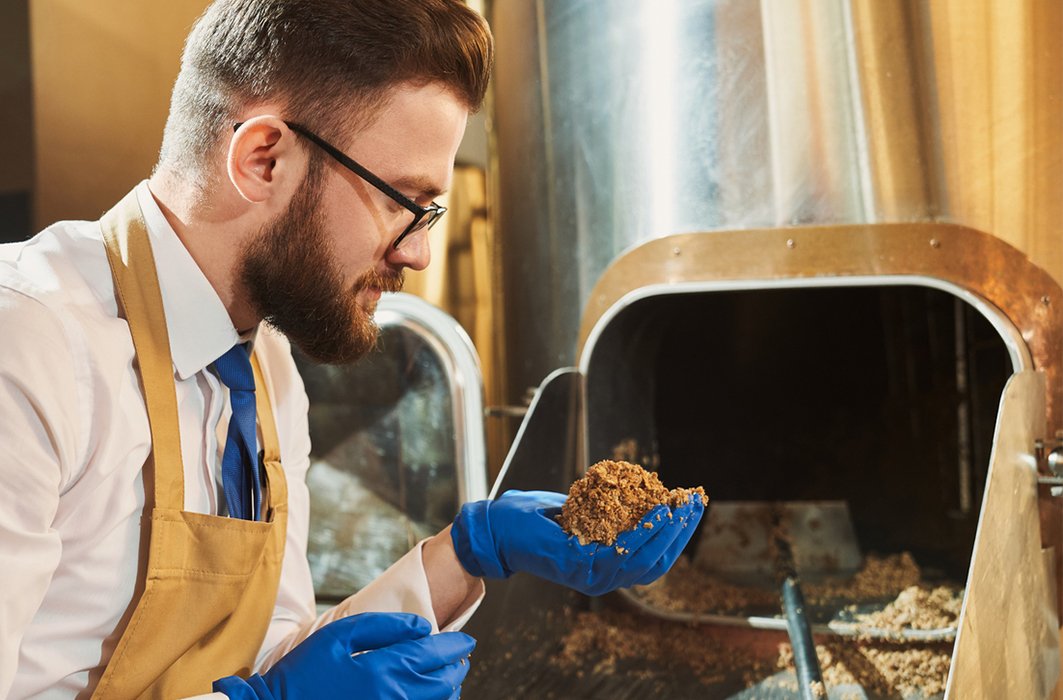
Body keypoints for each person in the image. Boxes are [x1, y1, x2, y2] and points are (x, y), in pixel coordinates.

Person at [0, 1, 705, 698]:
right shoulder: (28, 344)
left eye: (430, 214)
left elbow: (273, 660)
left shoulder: (266, 369)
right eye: (403, 201)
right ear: (264, 159)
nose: (421, 252)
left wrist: (467, 556)